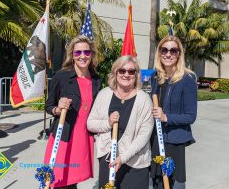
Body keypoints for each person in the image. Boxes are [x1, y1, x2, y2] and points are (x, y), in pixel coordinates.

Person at [44, 35, 102, 189]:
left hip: (83, 137)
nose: (82, 56)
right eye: (78, 53)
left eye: (86, 52)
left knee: (72, 180)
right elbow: (48, 105)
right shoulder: (61, 76)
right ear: (72, 55)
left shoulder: (96, 80)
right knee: (57, 181)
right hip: (64, 136)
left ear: (91, 54)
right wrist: (57, 108)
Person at [87, 55, 154, 189]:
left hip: (135, 162)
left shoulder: (144, 99)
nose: (126, 74)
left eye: (131, 71)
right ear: (115, 73)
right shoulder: (104, 94)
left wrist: (122, 158)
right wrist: (108, 123)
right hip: (108, 159)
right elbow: (90, 124)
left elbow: (144, 136)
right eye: (122, 71)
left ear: (136, 75)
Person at [150, 36, 197, 189]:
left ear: (179, 54)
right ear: (159, 53)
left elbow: (190, 116)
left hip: (173, 141)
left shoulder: (187, 78)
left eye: (173, 50)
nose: (168, 54)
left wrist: (166, 117)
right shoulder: (155, 77)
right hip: (155, 139)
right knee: (155, 179)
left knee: (172, 181)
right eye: (164, 50)